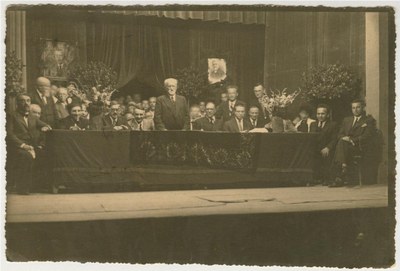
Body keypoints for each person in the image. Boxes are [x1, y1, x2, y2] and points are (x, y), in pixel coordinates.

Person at [6, 94, 51, 194]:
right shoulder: (11, 115)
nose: (26, 103)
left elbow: (45, 125)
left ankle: (38, 186)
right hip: (17, 147)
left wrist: (46, 127)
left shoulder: (32, 117)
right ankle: (23, 189)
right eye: (22, 101)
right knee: (26, 156)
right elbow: (9, 134)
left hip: (32, 146)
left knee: (46, 154)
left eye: (28, 100)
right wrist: (23, 145)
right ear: (17, 103)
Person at [330, 99, 375, 187]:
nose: (355, 110)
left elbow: (366, 136)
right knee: (341, 142)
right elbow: (340, 134)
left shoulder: (368, 120)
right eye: (353, 108)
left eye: (358, 107)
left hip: (358, 147)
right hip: (345, 146)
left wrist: (351, 140)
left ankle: (339, 174)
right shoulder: (346, 120)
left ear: (363, 108)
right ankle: (343, 166)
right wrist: (345, 138)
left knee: (341, 144)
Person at [313, 104, 338, 185]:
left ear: (327, 115)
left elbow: (334, 139)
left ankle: (327, 179)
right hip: (315, 149)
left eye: (323, 114)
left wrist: (328, 148)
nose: (320, 116)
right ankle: (313, 179)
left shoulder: (333, 125)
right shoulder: (313, 124)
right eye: (318, 114)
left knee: (328, 155)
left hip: (327, 148)